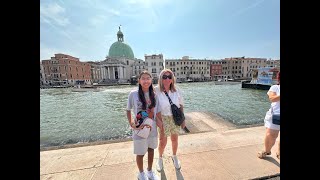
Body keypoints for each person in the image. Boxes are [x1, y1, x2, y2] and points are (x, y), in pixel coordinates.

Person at [126, 70, 159, 180]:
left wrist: (161, 124)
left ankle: (149, 171)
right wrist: (132, 124)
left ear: (151, 80)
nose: (146, 80)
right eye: (143, 78)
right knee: (140, 153)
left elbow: (157, 113)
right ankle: (141, 173)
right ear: (139, 81)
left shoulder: (154, 94)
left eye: (148, 78)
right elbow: (128, 110)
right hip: (139, 128)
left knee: (151, 150)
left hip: (152, 128)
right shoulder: (133, 94)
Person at [155, 69, 185, 172]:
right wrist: (158, 120)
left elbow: (181, 105)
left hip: (175, 118)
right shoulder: (156, 90)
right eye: (164, 77)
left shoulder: (177, 91)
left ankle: (174, 156)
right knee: (162, 141)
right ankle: (159, 158)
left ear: (172, 79)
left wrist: (183, 120)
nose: (167, 79)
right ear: (161, 79)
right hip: (163, 117)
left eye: (169, 77)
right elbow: (153, 106)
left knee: (174, 139)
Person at [258, 71, 280, 159]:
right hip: (276, 115)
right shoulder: (275, 87)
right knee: (270, 135)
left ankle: (279, 152)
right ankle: (267, 150)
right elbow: (272, 98)